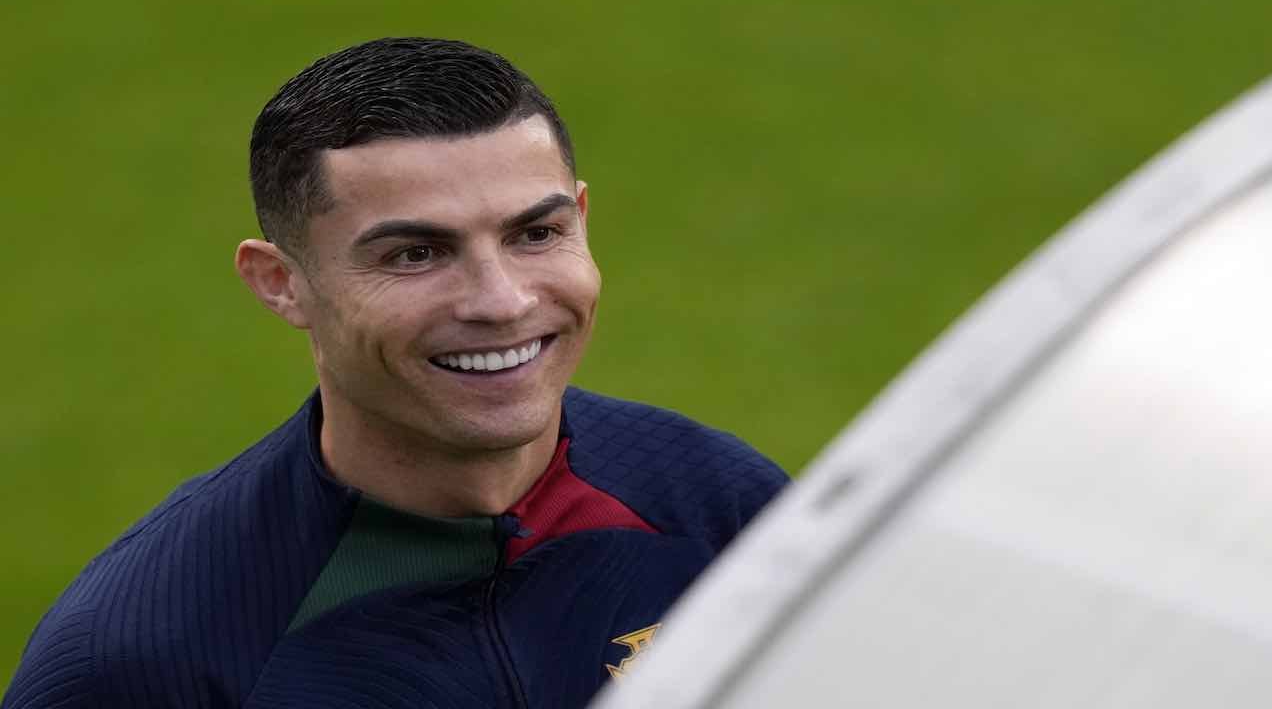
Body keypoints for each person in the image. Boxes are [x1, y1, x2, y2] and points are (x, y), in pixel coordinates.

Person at [2, 37, 787, 709]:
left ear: (581, 218)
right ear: (281, 283)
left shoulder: (725, 508)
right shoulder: (142, 659)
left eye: (536, 234)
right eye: (415, 254)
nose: (502, 301)